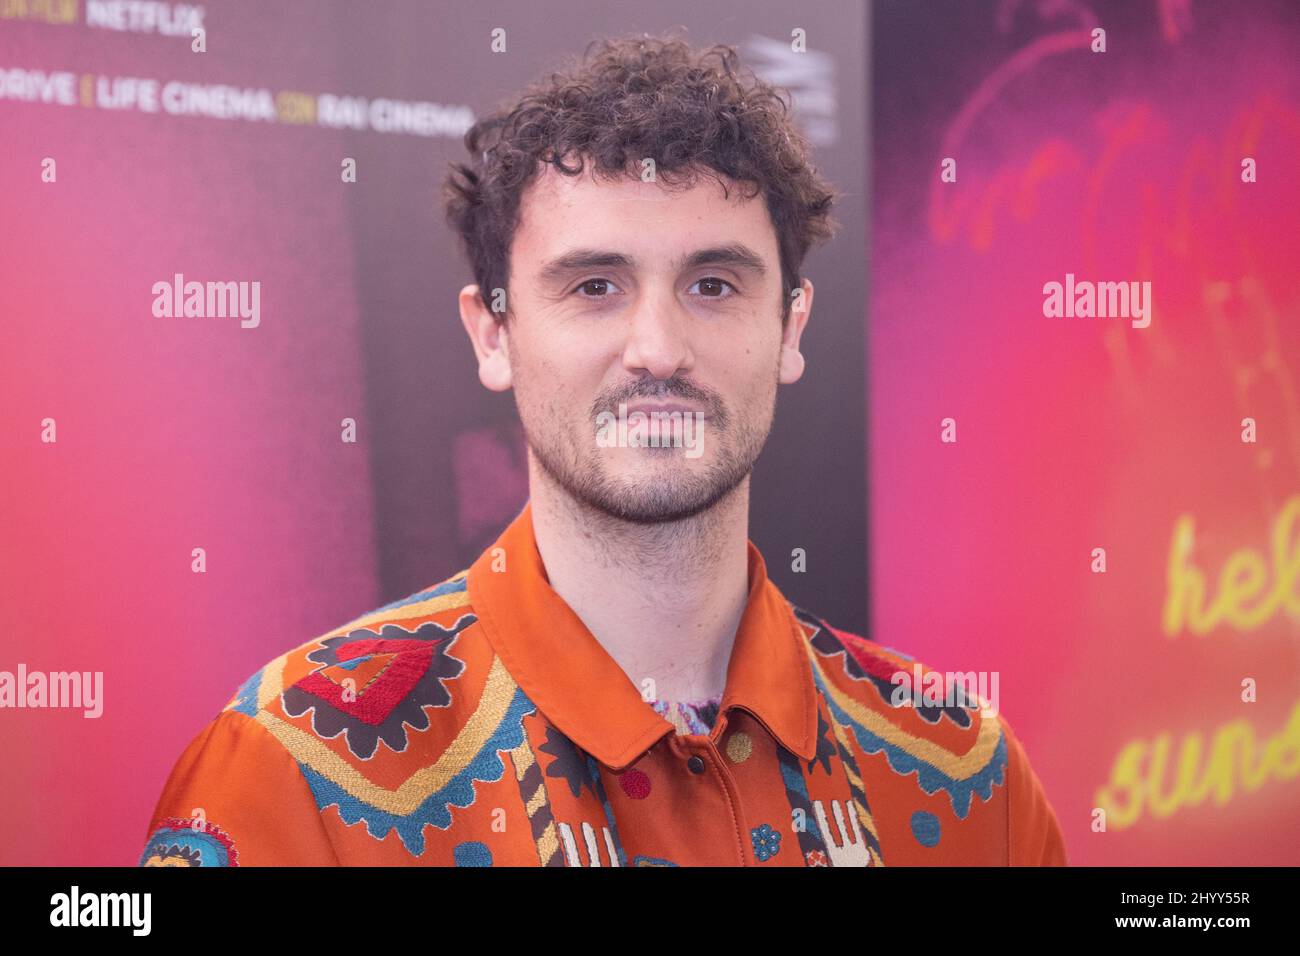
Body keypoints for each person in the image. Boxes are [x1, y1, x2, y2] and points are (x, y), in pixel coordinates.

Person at [139, 33, 1067, 867]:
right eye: (593, 287)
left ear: (790, 328)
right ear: (492, 336)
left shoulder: (962, 770)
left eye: (712, 284)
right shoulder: (292, 772)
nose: (657, 348)